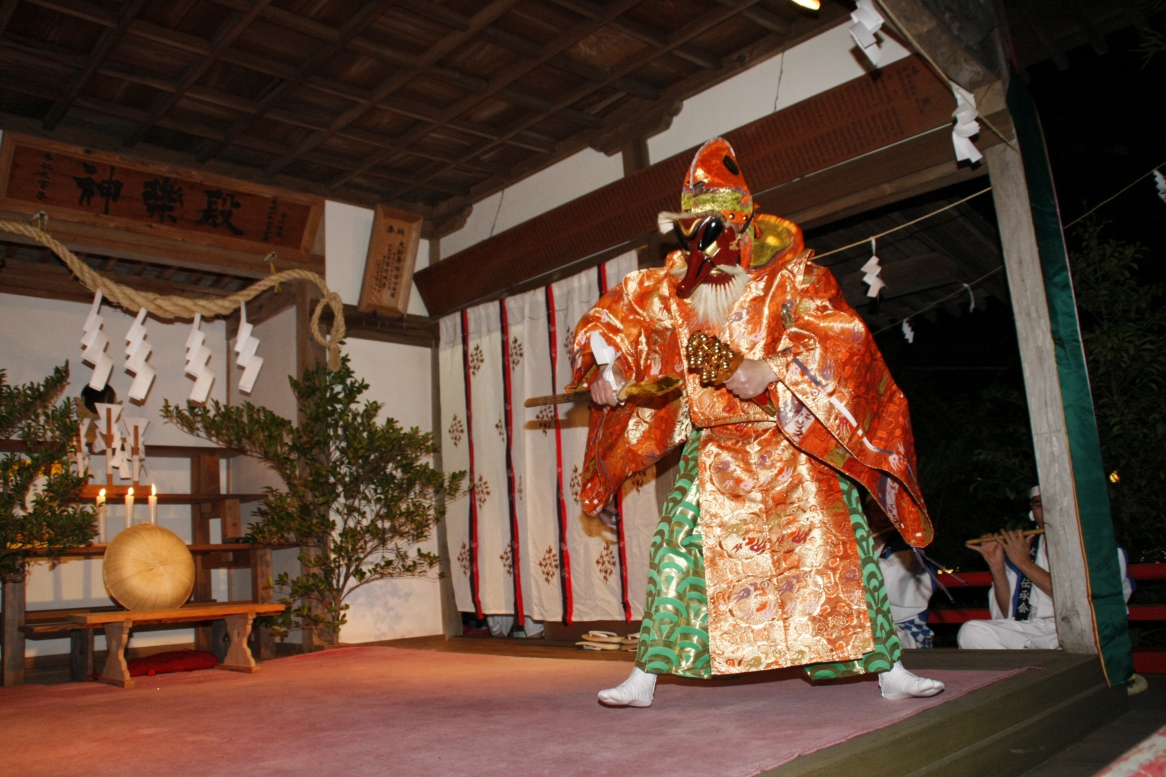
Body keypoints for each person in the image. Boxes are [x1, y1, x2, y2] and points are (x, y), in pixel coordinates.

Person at [570, 137, 944, 707]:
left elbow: (840, 337)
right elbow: (616, 325)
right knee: (677, 550)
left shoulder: (791, 276)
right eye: (693, 226)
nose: (704, 237)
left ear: (743, 221)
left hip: (794, 441)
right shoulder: (670, 286)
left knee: (840, 552)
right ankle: (646, 677)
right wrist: (605, 369)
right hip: (716, 449)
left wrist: (770, 367)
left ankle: (889, 670)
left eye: (716, 223)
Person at [958, 486, 1133, 650]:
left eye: (1053, 501)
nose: (1047, 510)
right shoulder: (1026, 546)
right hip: (1037, 629)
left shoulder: (1098, 547)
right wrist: (997, 566)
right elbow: (1007, 613)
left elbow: (1084, 601)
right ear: (1033, 512)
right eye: (1039, 504)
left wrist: (1025, 563)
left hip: (1086, 626)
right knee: (972, 632)